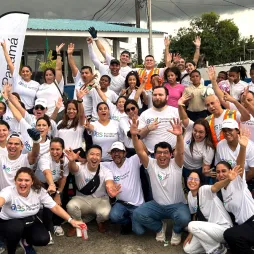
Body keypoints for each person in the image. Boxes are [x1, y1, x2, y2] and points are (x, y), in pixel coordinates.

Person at [131, 117, 191, 245]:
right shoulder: (151, 164)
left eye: (165, 153)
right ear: (155, 154)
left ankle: (176, 230)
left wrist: (179, 136)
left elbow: (180, 152)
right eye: (159, 153)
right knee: (137, 214)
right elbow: (139, 151)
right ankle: (159, 228)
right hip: (157, 205)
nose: (162, 156)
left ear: (170, 155)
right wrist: (134, 135)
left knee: (185, 218)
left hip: (177, 205)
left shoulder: (176, 164)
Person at [0, 167, 83, 254]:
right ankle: (11, 251)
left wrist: (71, 220)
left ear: (32, 182)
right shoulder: (8, 191)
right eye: (20, 180)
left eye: (27, 180)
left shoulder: (39, 191)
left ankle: (25, 242)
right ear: (15, 181)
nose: (23, 183)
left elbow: (54, 207)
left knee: (43, 239)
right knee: (15, 228)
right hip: (9, 222)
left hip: (29, 220)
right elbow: (1, 199)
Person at [64, 144, 120, 235]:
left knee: (105, 213)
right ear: (86, 156)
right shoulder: (80, 166)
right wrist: (72, 161)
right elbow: (73, 168)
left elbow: (109, 182)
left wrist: (110, 189)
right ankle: (77, 223)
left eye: (98, 155)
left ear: (101, 157)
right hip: (82, 199)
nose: (95, 157)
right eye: (92, 154)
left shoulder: (106, 171)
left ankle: (99, 221)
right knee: (71, 206)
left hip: (100, 200)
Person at [215, 132, 254, 253]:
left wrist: (242, 147)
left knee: (230, 234)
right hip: (244, 225)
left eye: (224, 171)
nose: (221, 174)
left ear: (231, 171)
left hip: (252, 221)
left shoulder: (236, 182)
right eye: (218, 172)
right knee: (232, 237)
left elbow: (240, 165)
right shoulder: (221, 189)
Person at [183, 170, 233, 254]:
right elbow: (195, 215)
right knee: (188, 249)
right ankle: (218, 245)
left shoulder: (204, 190)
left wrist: (228, 179)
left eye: (196, 179)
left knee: (191, 225)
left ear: (200, 182)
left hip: (224, 229)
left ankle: (218, 250)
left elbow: (215, 187)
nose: (192, 181)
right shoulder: (189, 195)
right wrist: (191, 234)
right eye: (190, 178)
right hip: (210, 229)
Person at [102, 141, 144, 234]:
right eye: (113, 151)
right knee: (114, 217)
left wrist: (135, 136)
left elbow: (142, 151)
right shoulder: (107, 165)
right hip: (121, 203)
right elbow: (94, 164)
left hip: (137, 204)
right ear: (110, 154)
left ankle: (134, 219)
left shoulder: (133, 160)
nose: (116, 154)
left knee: (139, 232)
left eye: (119, 151)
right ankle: (127, 222)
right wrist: (82, 160)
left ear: (125, 153)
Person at [178, 95, 215, 188]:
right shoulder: (190, 127)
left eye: (201, 132)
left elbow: (205, 169)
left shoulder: (208, 148)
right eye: (195, 131)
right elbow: (184, 117)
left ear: (206, 133)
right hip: (182, 166)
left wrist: (206, 172)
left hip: (196, 171)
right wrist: (179, 105)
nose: (197, 134)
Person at [36, 138, 69, 240]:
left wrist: (58, 193)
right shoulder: (44, 158)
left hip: (56, 183)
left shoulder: (65, 159)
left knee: (60, 200)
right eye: (52, 149)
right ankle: (47, 229)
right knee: (48, 204)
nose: (54, 152)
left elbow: (64, 177)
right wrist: (51, 185)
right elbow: (47, 172)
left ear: (63, 149)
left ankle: (57, 224)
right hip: (41, 184)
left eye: (58, 149)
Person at [138, 86, 179, 154]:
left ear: (167, 97)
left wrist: (177, 147)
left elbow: (185, 130)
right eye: (155, 95)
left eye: (160, 95)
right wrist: (148, 128)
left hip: (171, 154)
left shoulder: (176, 112)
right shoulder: (145, 114)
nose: (157, 97)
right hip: (151, 155)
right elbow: (139, 136)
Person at [1, 41, 40, 110]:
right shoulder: (17, 79)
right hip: (17, 109)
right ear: (21, 73)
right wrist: (4, 48)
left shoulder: (36, 84)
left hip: (30, 111)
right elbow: (10, 64)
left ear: (31, 73)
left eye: (27, 71)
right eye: (23, 71)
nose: (25, 73)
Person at [36, 43, 65, 120]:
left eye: (50, 75)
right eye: (47, 75)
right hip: (44, 115)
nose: (48, 77)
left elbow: (58, 68)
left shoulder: (57, 83)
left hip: (58, 113)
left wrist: (58, 53)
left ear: (54, 76)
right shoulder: (40, 86)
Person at [67, 43, 95, 118]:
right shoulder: (78, 79)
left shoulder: (94, 86)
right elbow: (73, 66)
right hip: (75, 114)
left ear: (92, 74)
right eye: (82, 73)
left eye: (86, 73)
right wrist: (70, 55)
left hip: (87, 116)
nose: (84, 75)